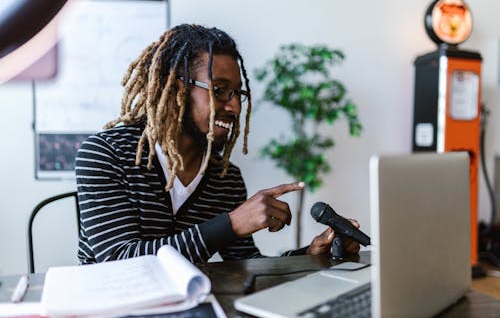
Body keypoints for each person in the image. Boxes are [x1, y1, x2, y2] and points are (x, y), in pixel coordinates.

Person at [75, 24, 360, 264]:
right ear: (175, 87)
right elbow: (118, 260)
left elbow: (245, 265)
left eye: (238, 93)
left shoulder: (225, 178)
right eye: (219, 90)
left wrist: (308, 256)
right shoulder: (105, 154)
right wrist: (231, 224)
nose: (234, 106)